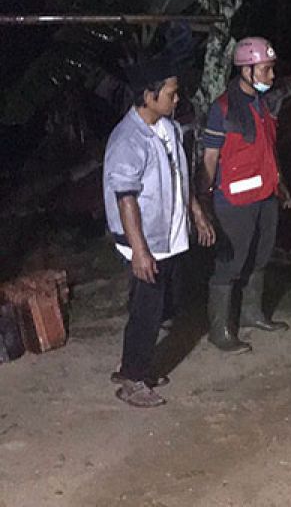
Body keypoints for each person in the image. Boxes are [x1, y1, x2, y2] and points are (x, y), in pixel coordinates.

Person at [103, 56, 215, 407]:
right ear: (148, 97)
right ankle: (133, 380)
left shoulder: (168, 129)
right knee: (148, 310)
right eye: (171, 93)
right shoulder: (127, 141)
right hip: (145, 240)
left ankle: (134, 364)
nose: (177, 98)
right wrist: (139, 251)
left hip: (168, 236)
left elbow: (180, 181)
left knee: (161, 305)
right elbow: (126, 201)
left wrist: (196, 213)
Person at [199, 36, 291, 354]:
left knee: (261, 256)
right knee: (231, 263)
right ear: (247, 70)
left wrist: (280, 184)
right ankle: (219, 329)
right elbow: (209, 159)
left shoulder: (264, 104)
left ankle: (252, 313)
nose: (271, 76)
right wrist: (204, 200)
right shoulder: (222, 108)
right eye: (266, 70)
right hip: (234, 201)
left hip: (265, 195)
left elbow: (267, 150)